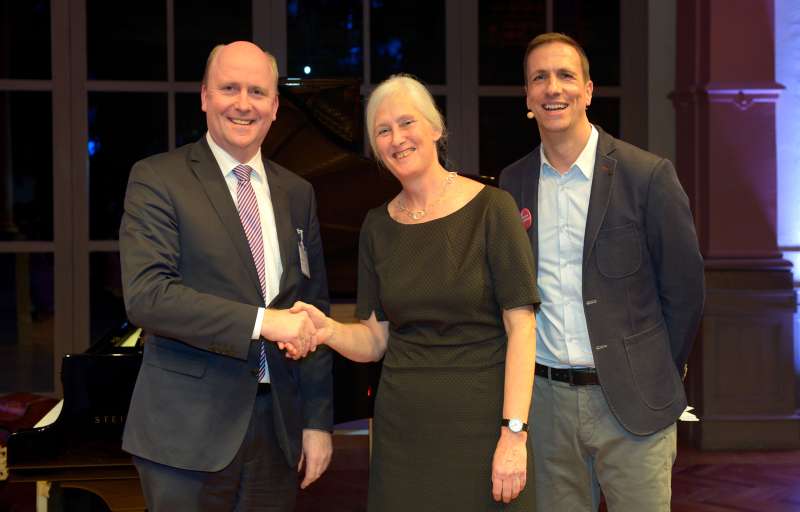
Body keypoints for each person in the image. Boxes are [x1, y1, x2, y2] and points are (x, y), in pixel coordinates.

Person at [291, 74, 538, 511]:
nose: (397, 138)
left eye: (407, 123)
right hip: (402, 433)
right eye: (383, 131)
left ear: (436, 129)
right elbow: (375, 341)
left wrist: (514, 433)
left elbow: (522, 328)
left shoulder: (492, 209)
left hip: (482, 427)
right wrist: (326, 328)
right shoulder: (376, 227)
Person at [119, 41, 333, 511]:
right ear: (204, 96)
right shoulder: (158, 178)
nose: (243, 103)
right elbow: (148, 296)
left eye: (257, 91)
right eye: (229, 88)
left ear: (275, 107)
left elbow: (313, 312)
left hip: (277, 432)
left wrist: (317, 422)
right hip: (185, 436)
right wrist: (263, 322)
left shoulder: (298, 193)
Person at [499, 33, 705, 511]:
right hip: (546, 408)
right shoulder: (513, 184)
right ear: (528, 98)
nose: (553, 88)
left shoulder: (647, 175)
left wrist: (651, 371)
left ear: (588, 90)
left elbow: (686, 295)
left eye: (566, 75)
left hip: (634, 409)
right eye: (539, 78)